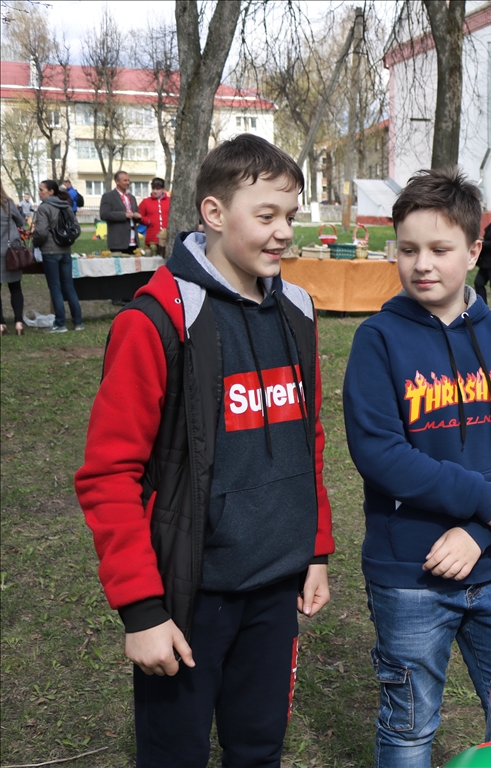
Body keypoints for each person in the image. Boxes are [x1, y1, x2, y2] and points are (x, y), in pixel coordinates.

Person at [74, 134, 334, 766]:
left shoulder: (297, 310)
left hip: (276, 589)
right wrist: (142, 611)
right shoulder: (154, 322)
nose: (283, 232)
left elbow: (309, 439)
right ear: (214, 213)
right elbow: (108, 474)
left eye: (290, 216)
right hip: (189, 597)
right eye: (266, 215)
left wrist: (316, 549)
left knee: (258, 750)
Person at [343, 168, 491, 767]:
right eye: (408, 250)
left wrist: (478, 531)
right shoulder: (377, 340)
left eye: (439, 249)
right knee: (409, 727)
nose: (422, 264)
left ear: (474, 251)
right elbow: (381, 455)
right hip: (410, 574)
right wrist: (483, 501)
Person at [32, 180, 82, 333]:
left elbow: (41, 232)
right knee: (69, 287)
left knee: (55, 288)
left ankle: (61, 323)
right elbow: (76, 228)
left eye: (41, 190)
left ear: (51, 191)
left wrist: (35, 243)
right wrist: (68, 239)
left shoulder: (44, 208)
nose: (39, 192)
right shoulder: (65, 206)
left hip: (50, 251)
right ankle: (78, 322)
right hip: (65, 251)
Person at [1, 184, 26, 336]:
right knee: (15, 287)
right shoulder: (8, 203)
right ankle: (18, 322)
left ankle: (1, 324)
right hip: (11, 252)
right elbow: (21, 222)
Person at [100, 170, 141, 254]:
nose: (128, 183)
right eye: (125, 180)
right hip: (118, 241)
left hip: (133, 241)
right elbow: (104, 214)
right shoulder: (108, 196)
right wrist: (124, 215)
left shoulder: (131, 197)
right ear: (117, 181)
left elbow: (135, 213)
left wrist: (137, 216)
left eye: (128, 180)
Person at [138, 177, 171, 256]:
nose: (155, 191)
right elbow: (139, 217)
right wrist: (148, 221)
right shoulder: (145, 202)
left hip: (168, 238)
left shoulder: (170, 201)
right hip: (152, 239)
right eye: (153, 188)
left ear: (163, 189)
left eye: (158, 189)